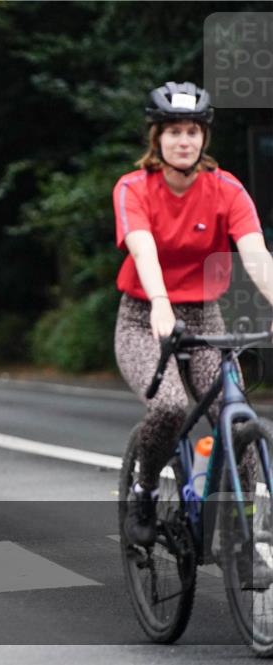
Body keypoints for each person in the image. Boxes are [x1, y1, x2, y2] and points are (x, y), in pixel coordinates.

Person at [115, 82, 272, 550]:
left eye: (193, 131)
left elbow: (257, 258)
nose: (184, 140)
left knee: (237, 417)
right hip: (145, 317)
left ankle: (246, 531)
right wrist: (160, 301)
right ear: (156, 138)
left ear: (204, 138)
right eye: (173, 131)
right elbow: (142, 249)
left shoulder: (225, 190)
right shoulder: (133, 188)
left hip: (205, 319)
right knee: (168, 407)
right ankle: (144, 492)